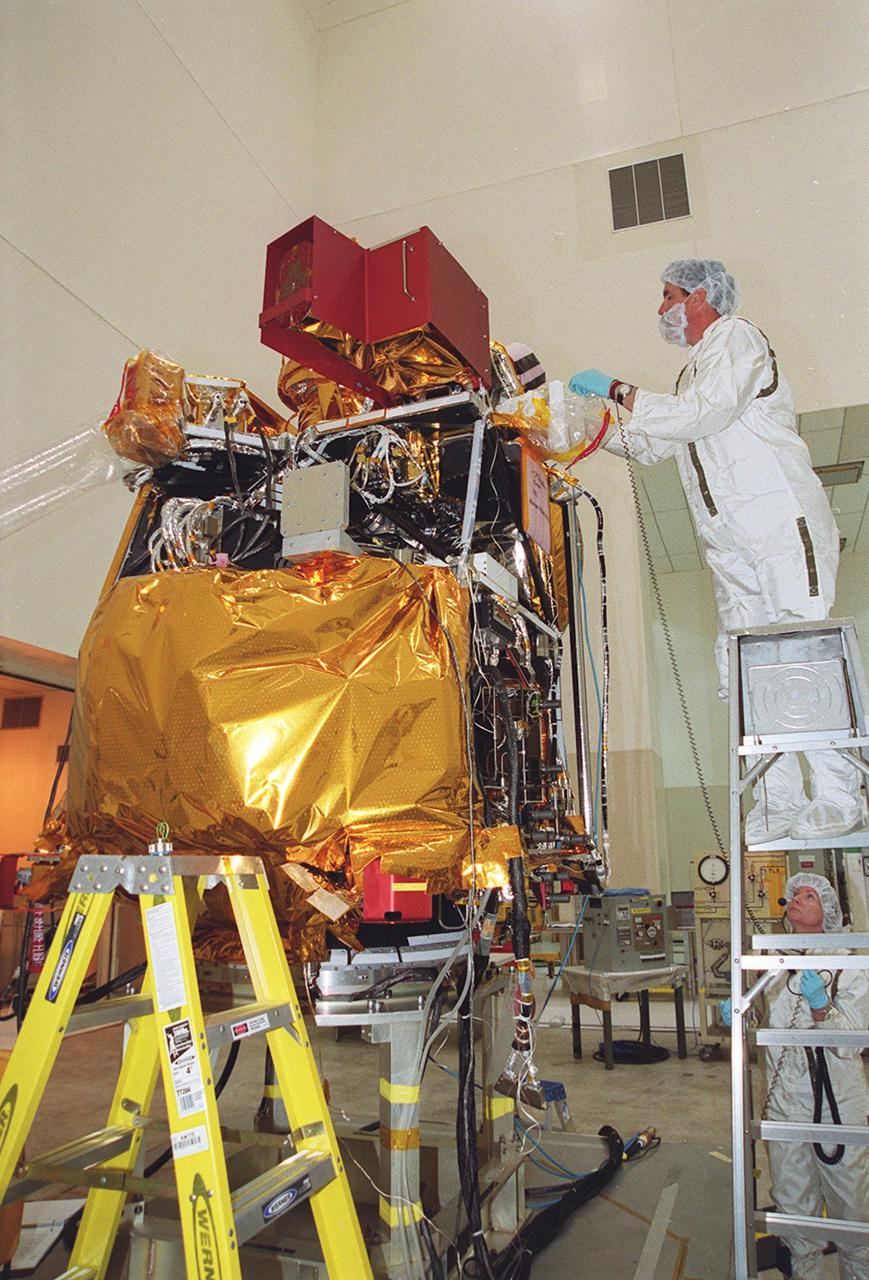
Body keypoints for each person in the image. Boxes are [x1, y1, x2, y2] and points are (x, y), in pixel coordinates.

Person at [568, 259, 864, 843]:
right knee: (743, 666)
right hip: (729, 545)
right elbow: (655, 441)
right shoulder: (690, 377)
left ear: (701, 295)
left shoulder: (738, 338)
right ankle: (778, 800)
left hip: (779, 523)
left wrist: (618, 388)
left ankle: (838, 792)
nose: (662, 310)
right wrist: (582, 429)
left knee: (801, 653)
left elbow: (706, 414)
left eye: (669, 295)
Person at [721, 874, 868, 1279]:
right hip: (787, 1101)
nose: (796, 901)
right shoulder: (777, 964)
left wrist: (822, 1008)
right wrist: (742, 1011)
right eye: (794, 897)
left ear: (829, 913)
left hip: (839, 1102)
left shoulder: (848, 964)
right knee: (793, 1205)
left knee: (851, 1207)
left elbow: (851, 1043)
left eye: (809, 897)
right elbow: (770, 1018)